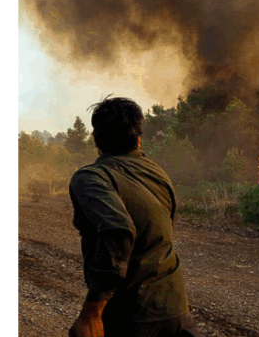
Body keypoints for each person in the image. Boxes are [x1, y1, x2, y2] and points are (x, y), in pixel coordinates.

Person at [68, 96, 200, 337]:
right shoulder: (157, 172)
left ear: (96, 139)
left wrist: (91, 313)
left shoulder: (91, 177)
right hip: (177, 313)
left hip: (132, 317)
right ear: (139, 138)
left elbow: (118, 231)